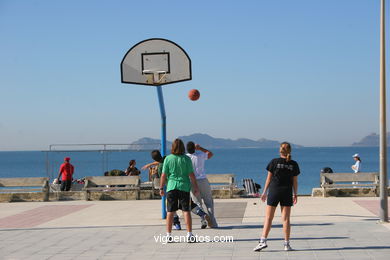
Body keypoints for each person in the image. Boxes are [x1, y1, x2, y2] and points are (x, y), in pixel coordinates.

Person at [253, 142, 300, 252]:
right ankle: (286, 244)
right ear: (289, 151)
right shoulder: (294, 164)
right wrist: (295, 194)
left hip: (274, 191)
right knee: (286, 219)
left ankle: (263, 241)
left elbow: (268, 179)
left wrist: (264, 192)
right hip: (287, 192)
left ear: (280, 150)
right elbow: (295, 181)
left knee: (269, 218)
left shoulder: (274, 162)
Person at [159, 139, 200, 242]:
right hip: (184, 187)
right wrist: (196, 187)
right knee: (186, 211)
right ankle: (190, 235)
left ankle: (168, 235)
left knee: (170, 211)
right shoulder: (186, 159)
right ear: (183, 147)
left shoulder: (168, 159)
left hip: (171, 187)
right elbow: (191, 175)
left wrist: (161, 188)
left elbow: (163, 175)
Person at [186, 142, 218, 228]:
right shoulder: (200, 154)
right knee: (209, 202)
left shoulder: (186, 158)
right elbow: (210, 154)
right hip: (203, 180)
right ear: (194, 148)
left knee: (197, 203)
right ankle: (213, 223)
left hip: (192, 181)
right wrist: (200, 148)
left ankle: (203, 220)